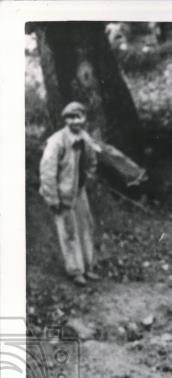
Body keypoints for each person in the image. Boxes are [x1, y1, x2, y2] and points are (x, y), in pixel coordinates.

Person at [39, 101, 99, 287]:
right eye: (71, 118)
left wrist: (88, 179)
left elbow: (92, 161)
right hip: (62, 194)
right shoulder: (57, 141)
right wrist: (52, 198)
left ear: (84, 119)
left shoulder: (85, 138)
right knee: (69, 231)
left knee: (86, 228)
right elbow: (47, 172)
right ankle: (75, 271)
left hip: (79, 191)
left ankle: (88, 266)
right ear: (65, 120)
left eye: (79, 117)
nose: (75, 122)